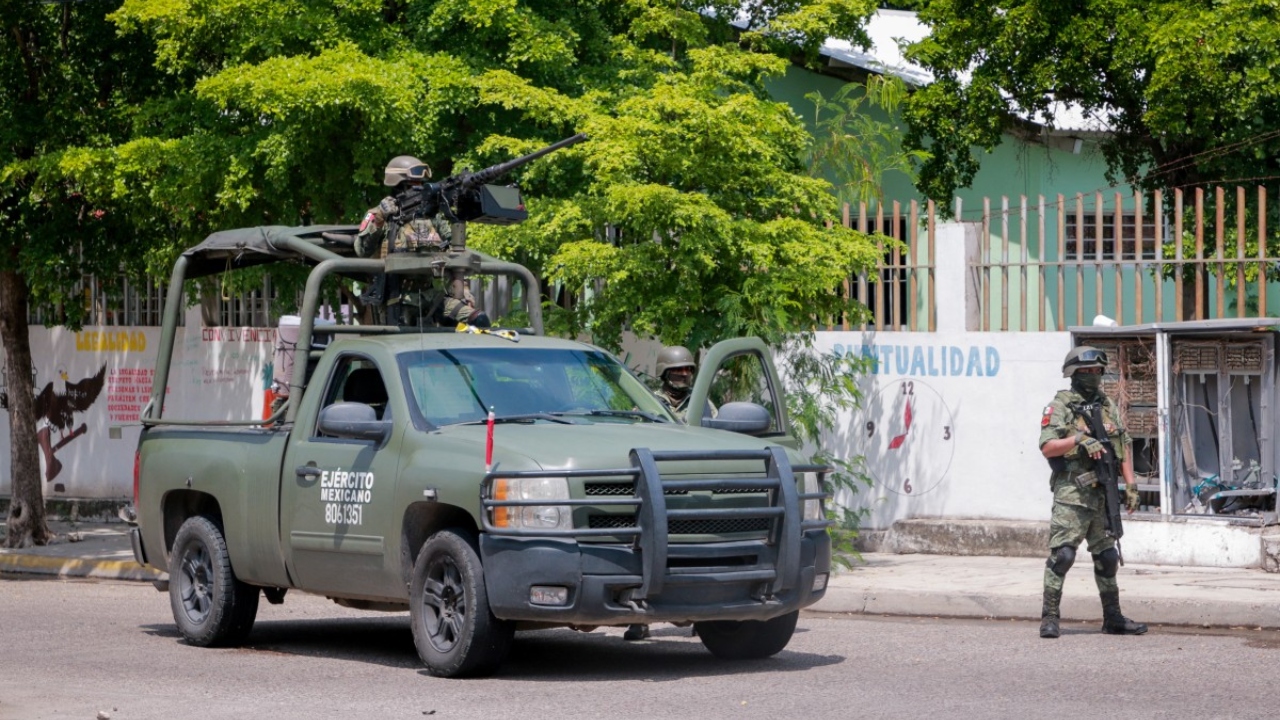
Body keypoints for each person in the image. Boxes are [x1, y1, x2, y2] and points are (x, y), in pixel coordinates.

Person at [1037, 345, 1146, 639]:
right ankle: (1049, 617)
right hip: (1072, 493)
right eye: (1087, 371)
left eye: (1098, 371)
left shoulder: (1107, 404)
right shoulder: (1060, 405)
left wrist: (1131, 485)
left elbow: (1121, 449)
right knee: (1063, 555)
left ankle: (1113, 618)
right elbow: (1047, 446)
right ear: (1074, 373)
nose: (1093, 376)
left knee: (1108, 557)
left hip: (1103, 493)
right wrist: (1079, 439)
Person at [354, 155, 488, 327]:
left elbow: (455, 253)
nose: (418, 190)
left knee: (479, 320)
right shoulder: (382, 215)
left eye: (420, 185)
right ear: (397, 186)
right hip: (397, 300)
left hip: (433, 296)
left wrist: (465, 291)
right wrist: (380, 217)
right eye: (412, 186)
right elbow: (361, 250)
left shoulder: (433, 218)